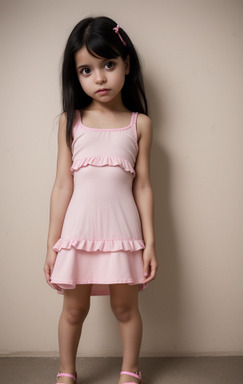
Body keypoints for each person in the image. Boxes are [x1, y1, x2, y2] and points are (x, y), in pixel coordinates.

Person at [44, 16, 158, 384]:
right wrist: (52, 245)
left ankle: (130, 369)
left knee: (125, 307)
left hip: (123, 233)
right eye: (86, 69)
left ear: (126, 64)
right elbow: (62, 185)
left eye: (108, 64)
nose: (100, 77)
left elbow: (142, 186)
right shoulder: (70, 121)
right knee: (73, 310)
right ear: (75, 76)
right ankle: (66, 372)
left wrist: (150, 243)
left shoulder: (139, 124)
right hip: (79, 232)